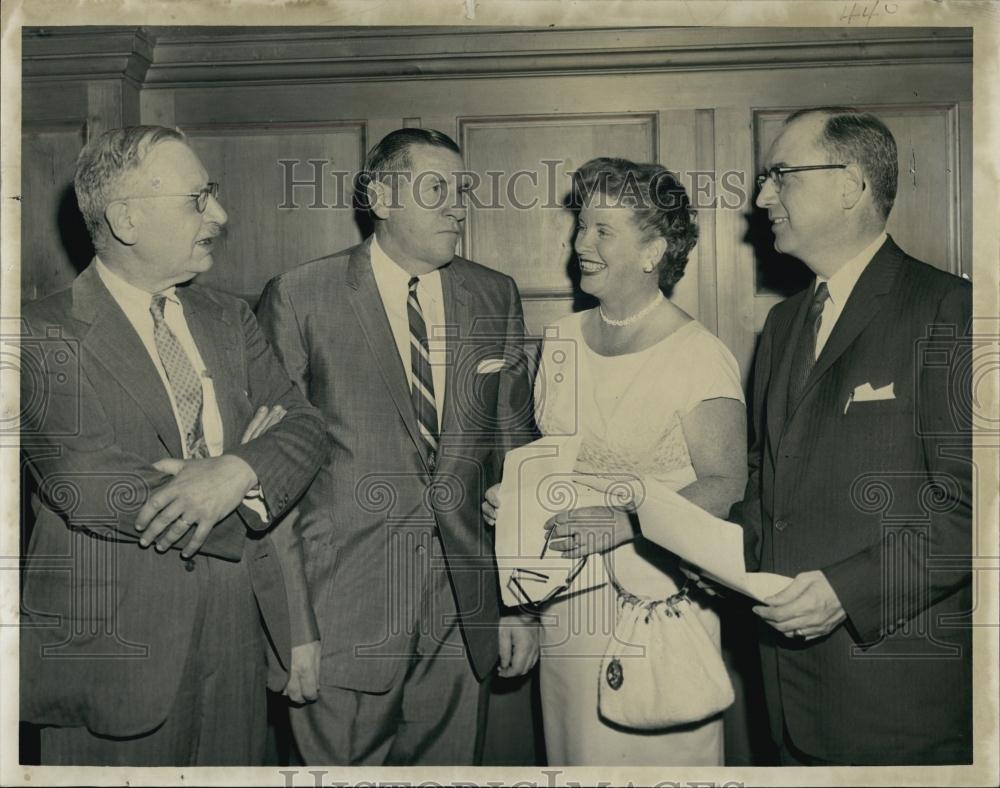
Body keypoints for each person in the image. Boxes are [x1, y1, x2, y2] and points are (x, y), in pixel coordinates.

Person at [19, 126, 330, 765]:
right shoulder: (37, 334)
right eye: (198, 199)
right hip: (110, 659)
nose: (221, 215)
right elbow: (90, 482)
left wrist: (236, 469)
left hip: (236, 647)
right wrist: (242, 490)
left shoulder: (230, 318)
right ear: (126, 219)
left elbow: (304, 426)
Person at [256, 128, 539, 766]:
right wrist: (292, 625)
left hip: (462, 616)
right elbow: (271, 478)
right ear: (381, 198)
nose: (458, 206)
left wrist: (522, 604)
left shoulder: (494, 294)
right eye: (437, 188)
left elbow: (517, 460)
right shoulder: (301, 296)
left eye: (462, 190)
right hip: (339, 612)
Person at [484, 157, 748, 765]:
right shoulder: (560, 340)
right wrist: (517, 504)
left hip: (657, 605)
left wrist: (629, 522)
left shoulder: (699, 354)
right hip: (565, 605)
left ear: (654, 250)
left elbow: (727, 484)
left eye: (603, 230)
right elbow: (550, 463)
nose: (581, 243)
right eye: (582, 226)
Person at [739, 107, 972, 764]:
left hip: (895, 707)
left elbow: (977, 510)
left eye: (780, 176)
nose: (762, 199)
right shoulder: (783, 325)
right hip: (789, 699)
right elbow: (768, 479)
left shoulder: (951, 311)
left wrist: (848, 592)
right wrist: (723, 555)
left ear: (849, 185)